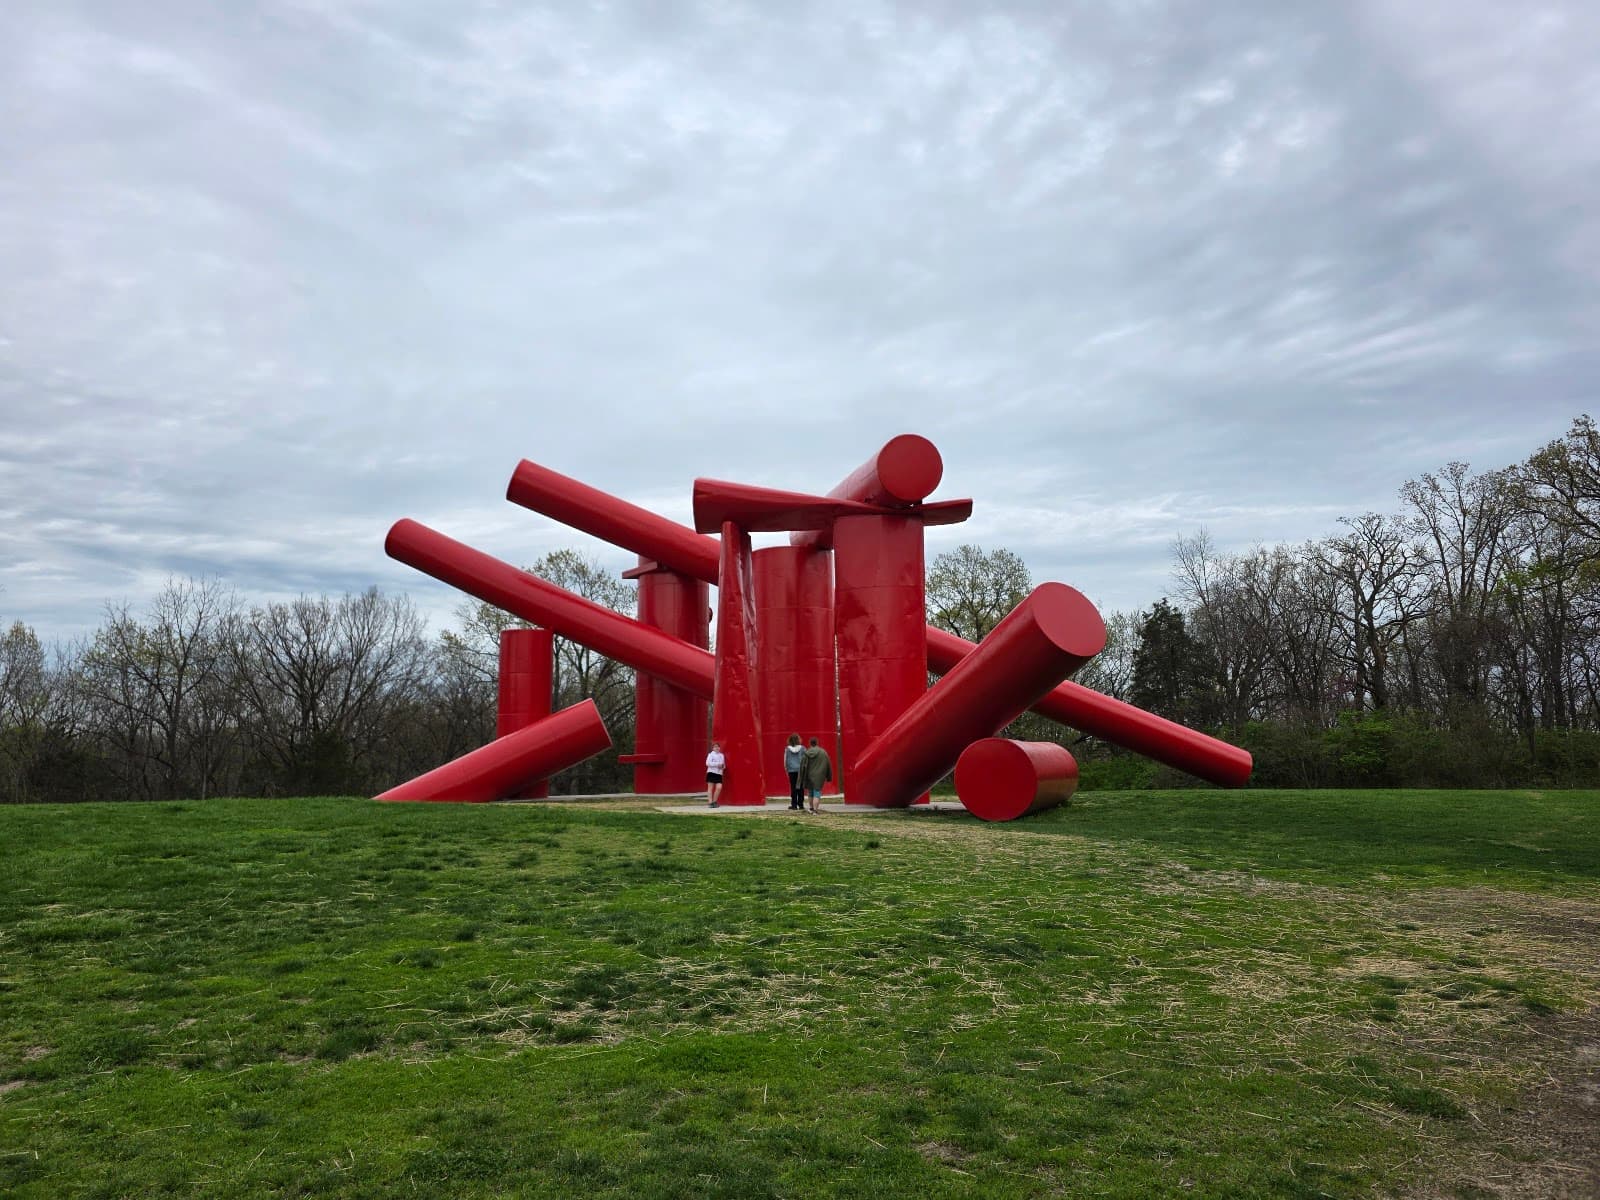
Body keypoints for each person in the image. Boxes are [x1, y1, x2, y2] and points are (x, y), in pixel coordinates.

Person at [800, 737, 832, 813]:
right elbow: (828, 764)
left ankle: (811, 808)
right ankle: (815, 810)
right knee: (817, 792)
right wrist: (829, 776)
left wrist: (801, 777)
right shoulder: (823, 752)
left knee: (810, 792)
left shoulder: (807, 753)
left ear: (810, 743)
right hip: (819, 776)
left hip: (809, 776)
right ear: (817, 743)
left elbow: (802, 766)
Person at [783, 734, 806, 810]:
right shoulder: (803, 748)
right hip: (800, 770)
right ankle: (801, 804)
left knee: (793, 788)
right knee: (801, 788)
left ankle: (794, 805)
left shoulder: (787, 749)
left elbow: (785, 760)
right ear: (798, 740)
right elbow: (805, 759)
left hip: (791, 770)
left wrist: (786, 769)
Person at [705, 741, 725, 808]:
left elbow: (723, 765)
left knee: (719, 787)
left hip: (719, 773)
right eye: (715, 747)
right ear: (713, 748)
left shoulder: (721, 755)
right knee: (710, 788)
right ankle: (710, 803)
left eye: (718, 746)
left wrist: (723, 766)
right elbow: (707, 763)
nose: (717, 748)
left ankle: (714, 801)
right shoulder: (710, 755)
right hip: (711, 773)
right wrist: (717, 764)